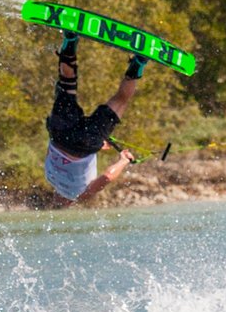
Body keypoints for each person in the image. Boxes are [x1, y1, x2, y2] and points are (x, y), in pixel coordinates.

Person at [43, 32, 148, 203]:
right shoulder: (49, 177)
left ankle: (138, 63)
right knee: (66, 83)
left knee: (120, 100)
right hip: (59, 133)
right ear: (55, 197)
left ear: (66, 204)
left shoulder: (78, 197)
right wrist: (98, 144)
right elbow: (55, 152)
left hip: (84, 144)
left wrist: (123, 161)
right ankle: (70, 40)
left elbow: (107, 177)